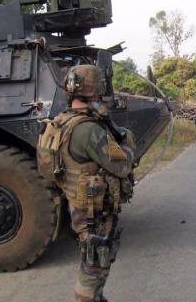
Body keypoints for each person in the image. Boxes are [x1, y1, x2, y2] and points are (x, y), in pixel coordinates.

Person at [55, 65, 136, 302]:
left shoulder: (62, 122)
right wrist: (127, 141)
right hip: (93, 211)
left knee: (93, 261)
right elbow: (122, 166)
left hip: (77, 203)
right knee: (94, 267)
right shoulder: (88, 130)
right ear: (97, 90)